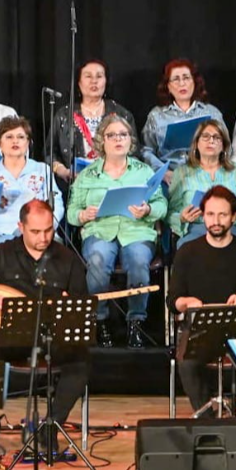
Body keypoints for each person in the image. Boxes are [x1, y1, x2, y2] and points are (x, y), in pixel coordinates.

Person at [0, 200, 89, 453]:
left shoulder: (67, 259)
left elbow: (81, 308)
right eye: (36, 232)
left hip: (50, 336)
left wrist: (69, 308)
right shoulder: (3, 253)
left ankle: (50, 426)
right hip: (10, 336)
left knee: (80, 358)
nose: (44, 237)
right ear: (21, 227)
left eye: (49, 230)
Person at [67, 114, 166, 348]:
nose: (118, 139)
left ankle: (136, 323)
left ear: (130, 140)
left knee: (139, 260)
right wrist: (83, 215)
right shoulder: (88, 174)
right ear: (102, 140)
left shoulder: (143, 171)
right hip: (100, 230)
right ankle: (100, 322)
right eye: (112, 135)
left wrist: (148, 209)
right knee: (98, 260)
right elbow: (71, 212)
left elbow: (162, 205)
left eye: (123, 134)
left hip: (136, 230)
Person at [167, 186, 236, 417]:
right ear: (203, 216)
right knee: (187, 361)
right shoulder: (187, 251)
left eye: (222, 215)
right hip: (200, 330)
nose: (216, 221)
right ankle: (208, 421)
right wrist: (186, 302)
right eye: (210, 214)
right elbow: (173, 300)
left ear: (234, 216)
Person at [0, 117, 63, 255]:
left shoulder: (42, 170)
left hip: (35, 232)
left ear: (28, 143)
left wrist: (47, 227)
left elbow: (57, 203)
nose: (15, 141)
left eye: (21, 137)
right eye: (9, 137)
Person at [167, 119, 236, 248]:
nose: (211, 141)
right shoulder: (181, 173)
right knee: (188, 249)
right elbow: (170, 212)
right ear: (196, 144)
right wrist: (182, 218)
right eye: (205, 136)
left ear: (224, 146)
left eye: (217, 137)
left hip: (231, 229)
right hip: (196, 229)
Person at [50, 59, 137, 189]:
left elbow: (134, 151)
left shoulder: (121, 114)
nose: (94, 81)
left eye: (99, 76)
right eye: (88, 76)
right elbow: (50, 152)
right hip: (75, 182)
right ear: (78, 82)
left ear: (106, 81)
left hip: (115, 182)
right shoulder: (64, 115)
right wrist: (62, 170)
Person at [141, 59, 225, 180]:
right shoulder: (156, 116)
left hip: (208, 174)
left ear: (194, 82)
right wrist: (163, 172)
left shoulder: (211, 113)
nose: (182, 83)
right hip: (172, 176)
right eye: (176, 79)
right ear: (168, 86)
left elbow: (227, 147)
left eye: (186, 78)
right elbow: (146, 151)